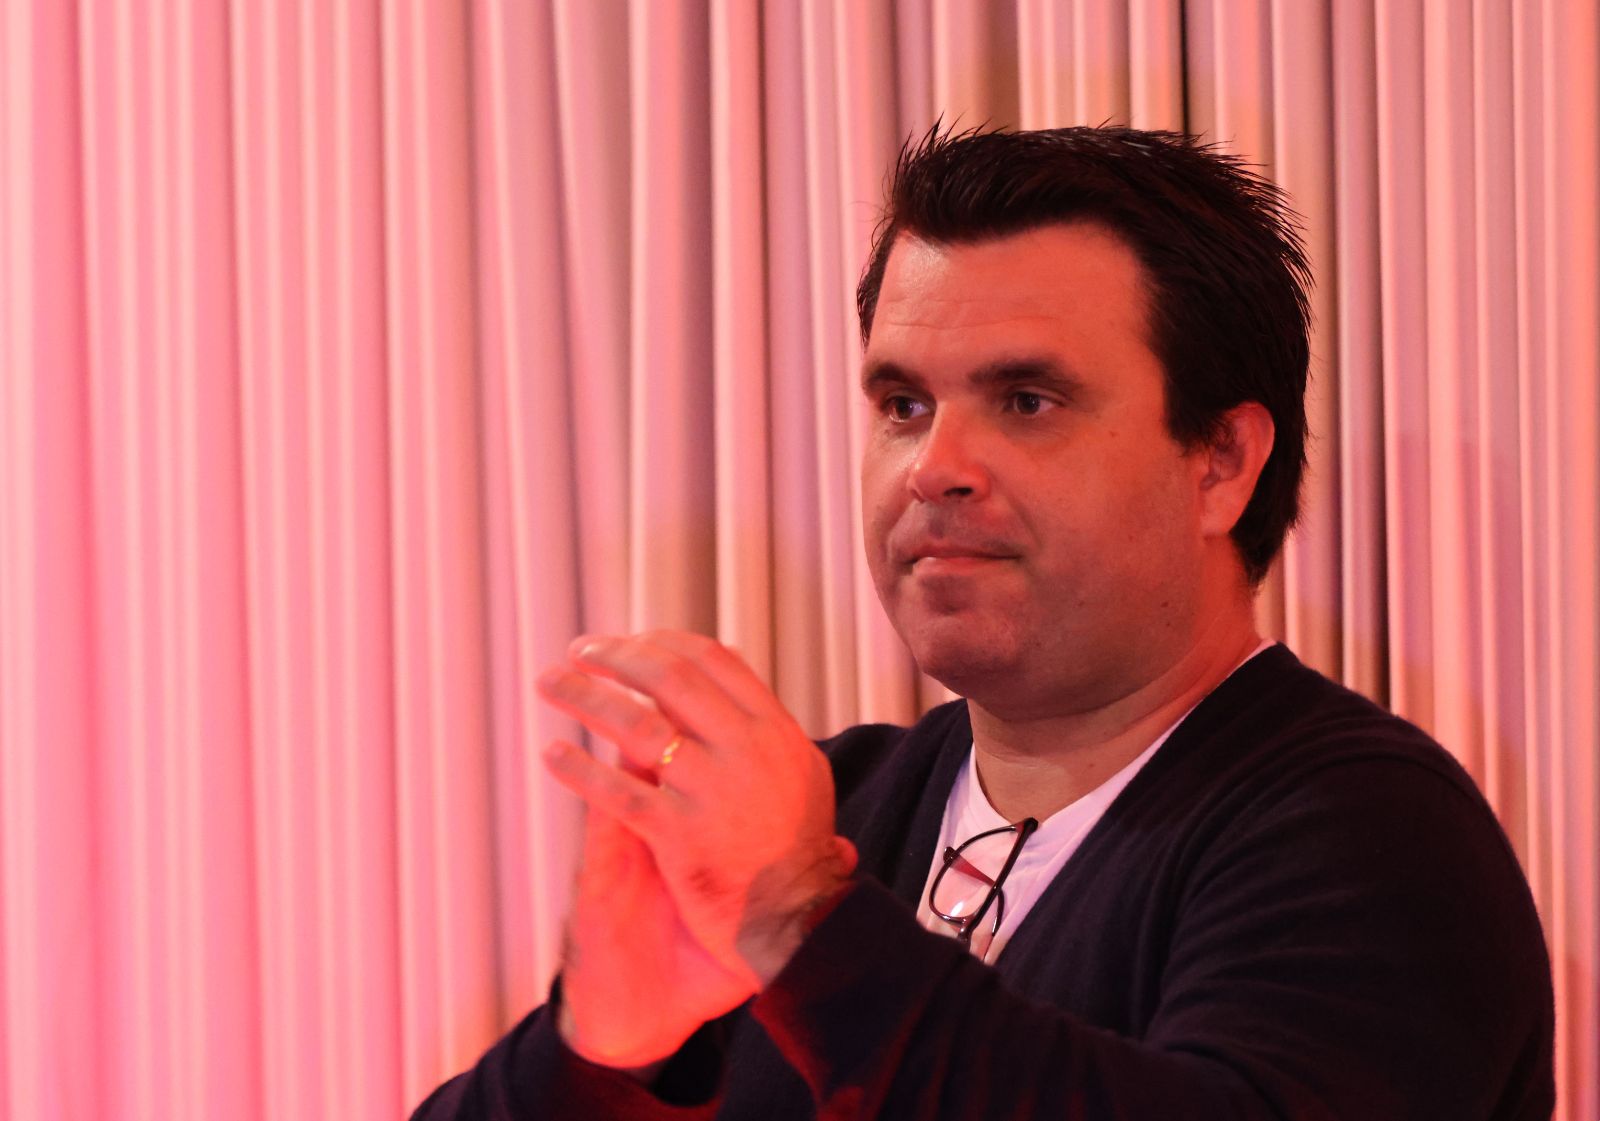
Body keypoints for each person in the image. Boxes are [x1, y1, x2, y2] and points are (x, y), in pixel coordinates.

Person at [412, 126, 1554, 1120]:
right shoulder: (836, 803)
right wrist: (601, 1051)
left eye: (1026, 400)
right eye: (903, 404)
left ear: (1220, 461)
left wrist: (803, 918)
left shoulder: (1367, 833)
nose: (935, 466)